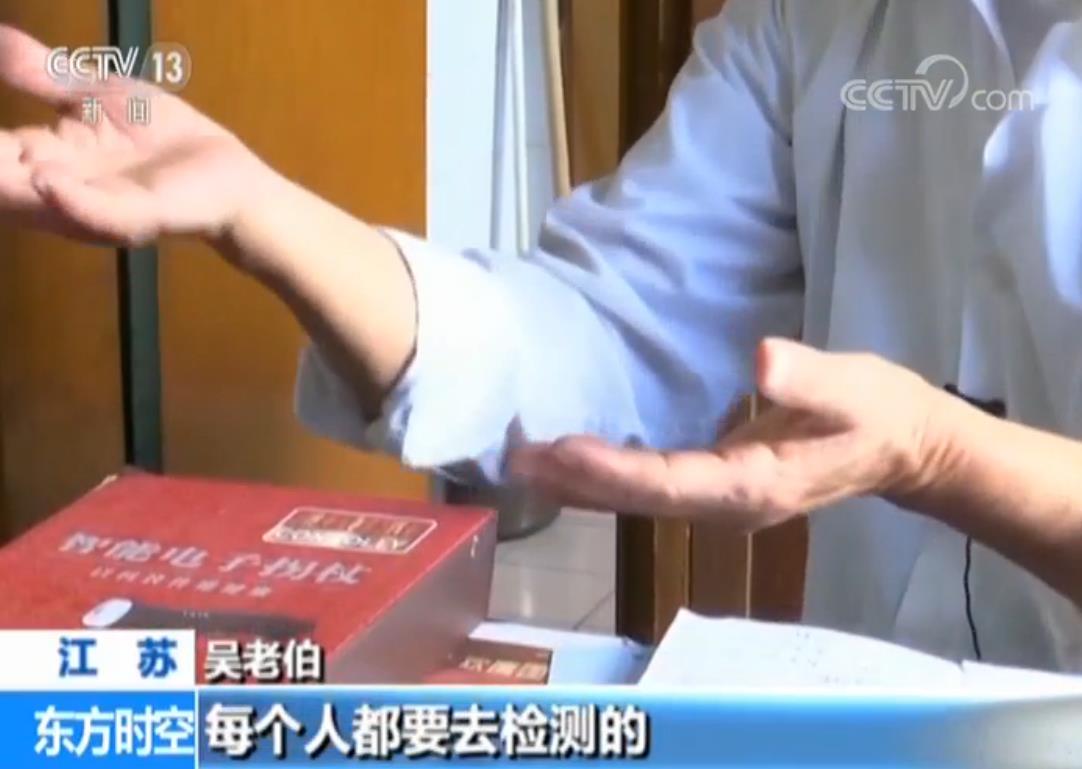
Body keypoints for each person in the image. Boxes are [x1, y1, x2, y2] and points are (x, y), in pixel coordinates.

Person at [0, 0, 1080, 672]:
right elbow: (609, 328)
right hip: (862, 719)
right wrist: (267, 214)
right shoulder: (812, 21)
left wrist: (939, 455)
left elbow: (935, 450)